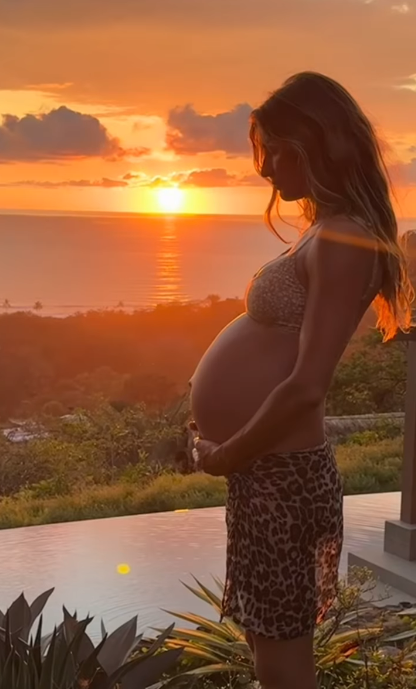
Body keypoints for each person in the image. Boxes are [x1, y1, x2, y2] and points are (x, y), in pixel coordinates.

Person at [189, 72, 414, 689]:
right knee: (272, 651)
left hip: (280, 479)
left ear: (317, 146)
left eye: (274, 151)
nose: (265, 170)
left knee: (284, 666)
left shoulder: (345, 241)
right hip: (268, 475)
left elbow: (307, 384)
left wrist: (226, 455)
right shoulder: (325, 228)